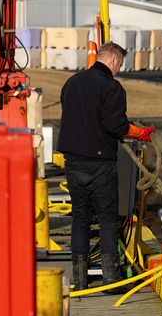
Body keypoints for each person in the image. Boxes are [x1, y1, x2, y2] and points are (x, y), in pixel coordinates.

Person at [58, 42, 156, 291]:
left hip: (73, 160)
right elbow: (117, 126)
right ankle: (110, 277)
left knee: (80, 217)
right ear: (113, 61)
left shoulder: (72, 83)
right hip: (99, 162)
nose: (119, 70)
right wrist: (140, 133)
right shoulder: (111, 87)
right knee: (107, 218)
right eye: (120, 64)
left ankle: (79, 279)